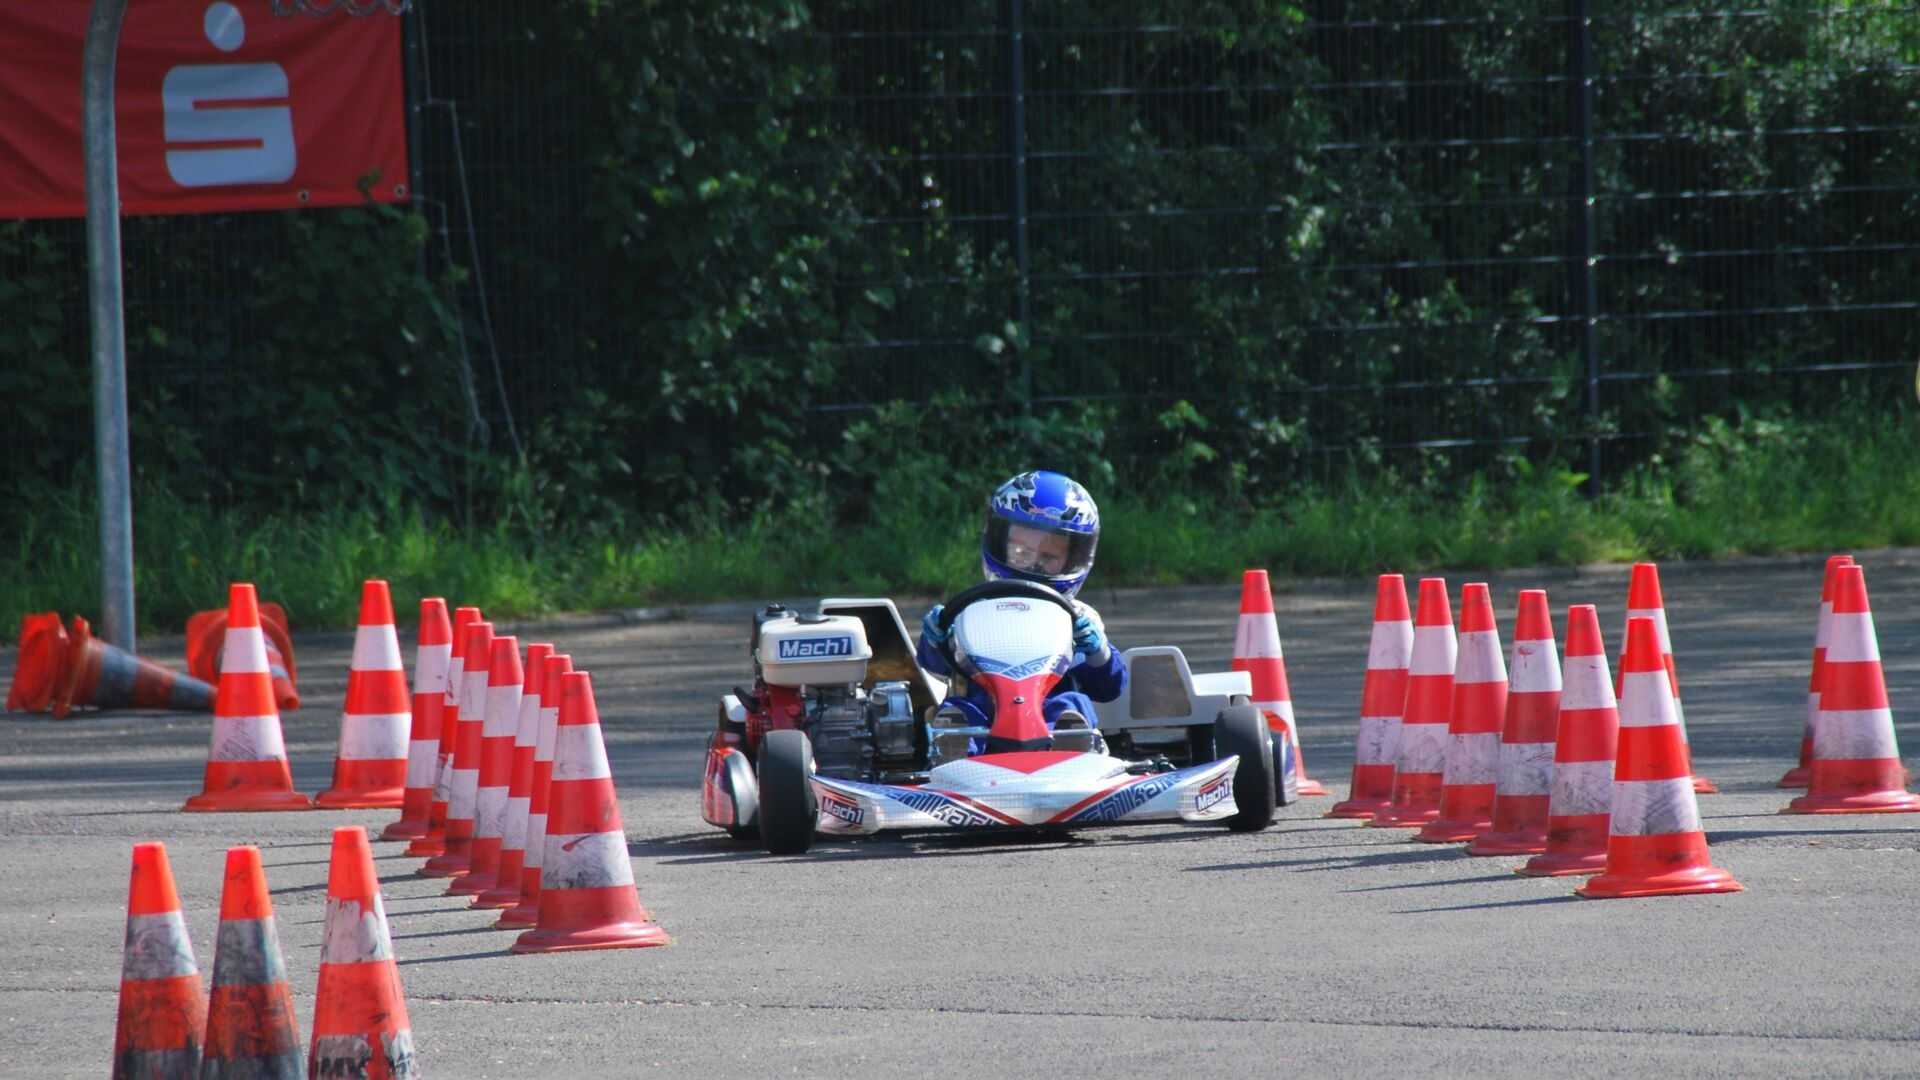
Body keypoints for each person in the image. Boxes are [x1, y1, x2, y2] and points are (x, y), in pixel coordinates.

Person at [916, 470, 1127, 748]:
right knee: (960, 711)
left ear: (1075, 558)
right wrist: (935, 637)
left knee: (1072, 704)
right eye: (1021, 552)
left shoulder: (1079, 620)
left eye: (1048, 556)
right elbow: (935, 667)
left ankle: (1069, 741)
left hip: (1049, 727)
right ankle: (957, 746)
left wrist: (1097, 651)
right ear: (1000, 543)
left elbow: (1109, 688)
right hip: (985, 724)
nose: (1031, 565)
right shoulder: (971, 613)